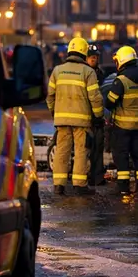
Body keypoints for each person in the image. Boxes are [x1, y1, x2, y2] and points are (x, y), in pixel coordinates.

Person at [46, 36, 103, 196]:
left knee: (62, 151)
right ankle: (79, 185)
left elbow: (50, 96)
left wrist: (54, 113)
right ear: (84, 53)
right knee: (81, 151)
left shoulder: (57, 71)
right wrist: (98, 115)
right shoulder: (88, 72)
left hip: (61, 120)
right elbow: (95, 97)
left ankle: (59, 185)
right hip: (81, 120)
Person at [105, 45, 138, 195]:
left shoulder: (121, 81)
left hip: (122, 126)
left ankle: (123, 188)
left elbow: (110, 102)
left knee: (122, 157)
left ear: (122, 61)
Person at [85, 44, 106, 186]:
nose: (94, 58)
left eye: (96, 56)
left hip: (97, 117)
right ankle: (83, 177)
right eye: (92, 56)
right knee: (84, 150)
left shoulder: (100, 73)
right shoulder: (83, 73)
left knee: (98, 148)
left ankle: (97, 177)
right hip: (84, 117)